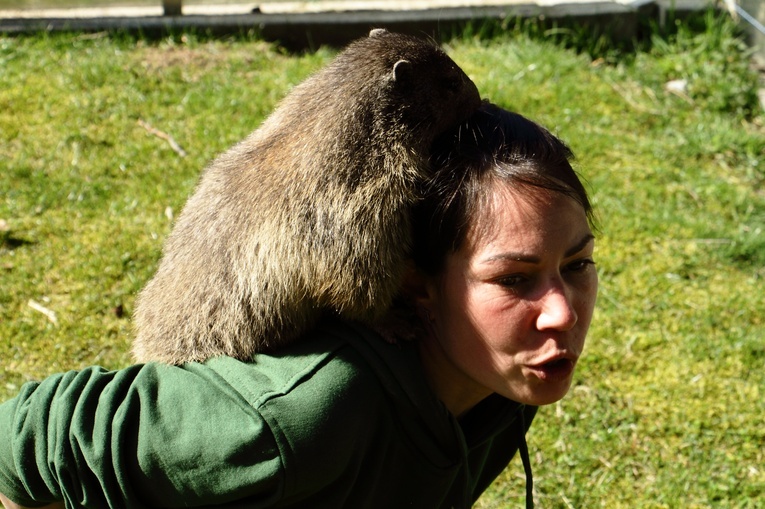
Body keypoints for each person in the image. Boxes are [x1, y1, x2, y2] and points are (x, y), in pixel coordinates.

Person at [0, 102, 597, 509]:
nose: (562, 313)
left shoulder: (504, 378)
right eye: (515, 280)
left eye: (576, 266)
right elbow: (34, 432)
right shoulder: (295, 418)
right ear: (418, 286)